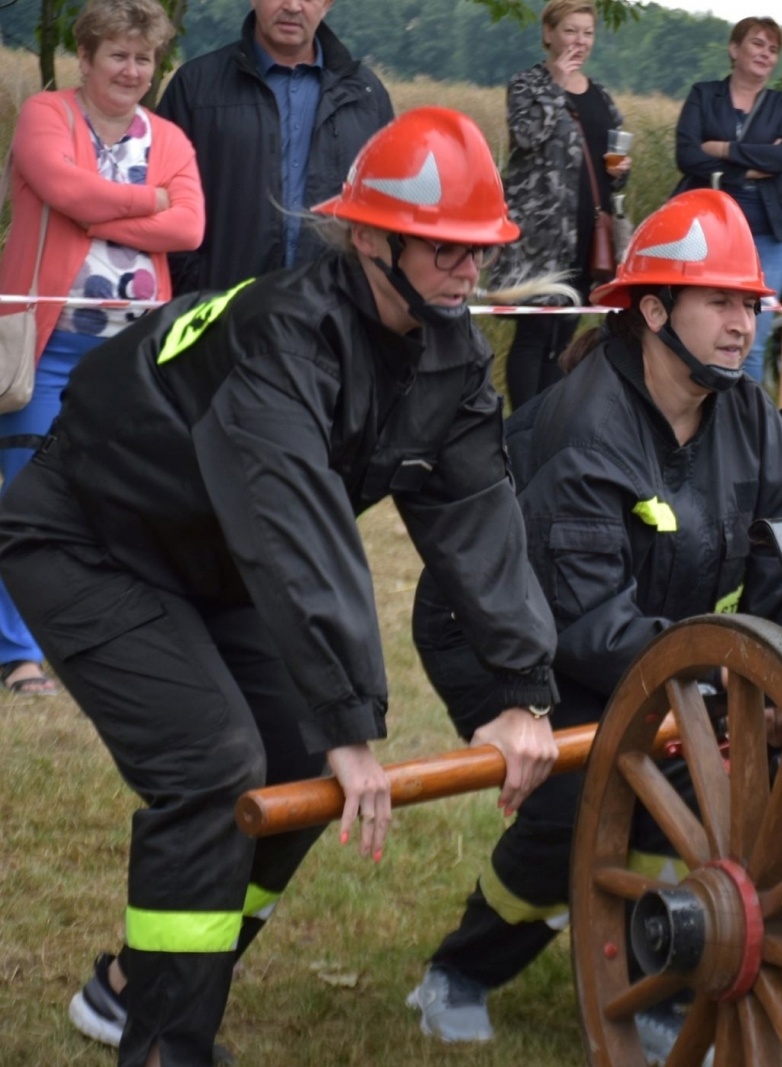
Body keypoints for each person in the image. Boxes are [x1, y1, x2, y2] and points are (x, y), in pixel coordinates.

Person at [0, 108, 567, 1067]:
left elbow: (478, 515)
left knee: (296, 762)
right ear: (371, 239)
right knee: (213, 763)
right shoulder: (286, 338)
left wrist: (522, 691)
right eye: (445, 250)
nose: (469, 271)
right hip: (85, 536)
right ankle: (166, 1047)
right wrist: (355, 727)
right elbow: (290, 525)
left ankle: (139, 984)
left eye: (480, 250)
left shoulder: (451, 354)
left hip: (209, 555)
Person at [406, 190, 782, 1064]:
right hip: (509, 640)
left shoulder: (748, 415)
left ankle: (666, 971)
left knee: (727, 794)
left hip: (660, 648)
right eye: (722, 303)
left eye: (752, 304)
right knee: (579, 808)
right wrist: (718, 684)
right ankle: (459, 972)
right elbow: (582, 622)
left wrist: (770, 687)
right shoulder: (584, 429)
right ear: (654, 310)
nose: (745, 325)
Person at [0, 0, 203, 698]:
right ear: (84, 59)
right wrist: (149, 201)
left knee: (116, 501)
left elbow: (192, 231)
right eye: (117, 54)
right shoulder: (46, 118)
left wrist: (109, 203)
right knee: (21, 495)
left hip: (134, 357)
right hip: (48, 345)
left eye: (143, 57)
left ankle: (103, 642)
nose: (132, 69)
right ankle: (19, 656)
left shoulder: (171, 137)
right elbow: (62, 190)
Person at [154, 0, 393, 295]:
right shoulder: (195, 88)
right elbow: (160, 199)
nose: (292, 6)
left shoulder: (367, 97)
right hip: (222, 316)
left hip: (332, 319)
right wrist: (196, 286)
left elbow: (386, 215)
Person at [490, 0, 630, 408]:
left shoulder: (601, 96)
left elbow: (613, 163)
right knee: (534, 333)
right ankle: (522, 427)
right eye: (570, 31)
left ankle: (545, 425)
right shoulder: (527, 85)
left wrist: (622, 170)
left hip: (587, 237)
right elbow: (528, 135)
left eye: (587, 33)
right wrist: (555, 82)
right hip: (539, 238)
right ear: (549, 33)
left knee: (564, 333)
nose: (579, 41)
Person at [674, 16, 782, 387]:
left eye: (773, 49)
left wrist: (725, 149)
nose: (766, 54)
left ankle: (744, 427)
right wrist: (750, 167)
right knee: (697, 333)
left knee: (752, 341)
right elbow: (687, 156)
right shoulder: (704, 94)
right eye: (758, 44)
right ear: (734, 49)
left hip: (766, 237)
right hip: (706, 233)